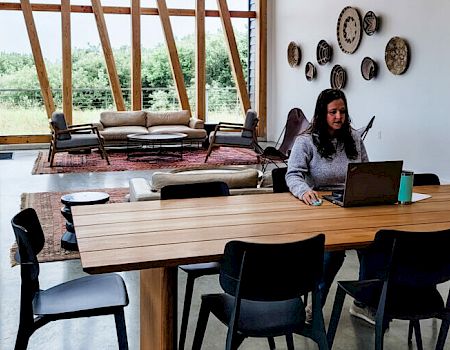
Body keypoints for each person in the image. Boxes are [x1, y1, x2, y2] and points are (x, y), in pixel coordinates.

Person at [286, 89, 374, 323]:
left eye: (342, 111)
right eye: (333, 112)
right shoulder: (306, 141)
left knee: (375, 247)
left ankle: (362, 303)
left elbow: (365, 169)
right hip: (322, 207)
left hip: (354, 204)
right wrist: (304, 191)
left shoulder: (354, 138)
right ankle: (314, 307)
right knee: (332, 255)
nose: (339, 117)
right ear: (321, 114)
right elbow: (293, 174)